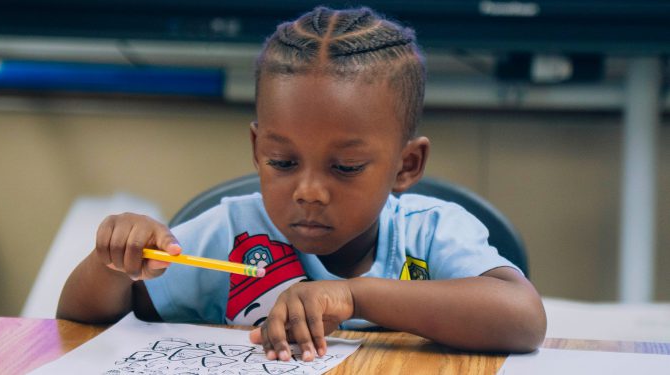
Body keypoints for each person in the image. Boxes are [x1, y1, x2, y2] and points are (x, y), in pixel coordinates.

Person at [57, 6, 546, 363]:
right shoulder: (231, 231)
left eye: (346, 167)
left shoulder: (431, 232)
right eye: (282, 160)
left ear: (407, 165)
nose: (308, 190)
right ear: (256, 151)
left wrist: (355, 296)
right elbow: (85, 320)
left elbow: (522, 319)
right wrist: (115, 263)